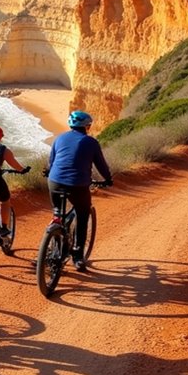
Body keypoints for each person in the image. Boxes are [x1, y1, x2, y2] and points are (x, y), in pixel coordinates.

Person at [44, 110, 113, 272]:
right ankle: (77, 256)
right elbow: (101, 165)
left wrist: (48, 172)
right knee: (83, 215)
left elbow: (51, 161)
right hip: (78, 185)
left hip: (54, 182)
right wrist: (108, 179)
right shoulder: (91, 142)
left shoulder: (60, 138)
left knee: (57, 214)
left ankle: (49, 249)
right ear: (87, 127)